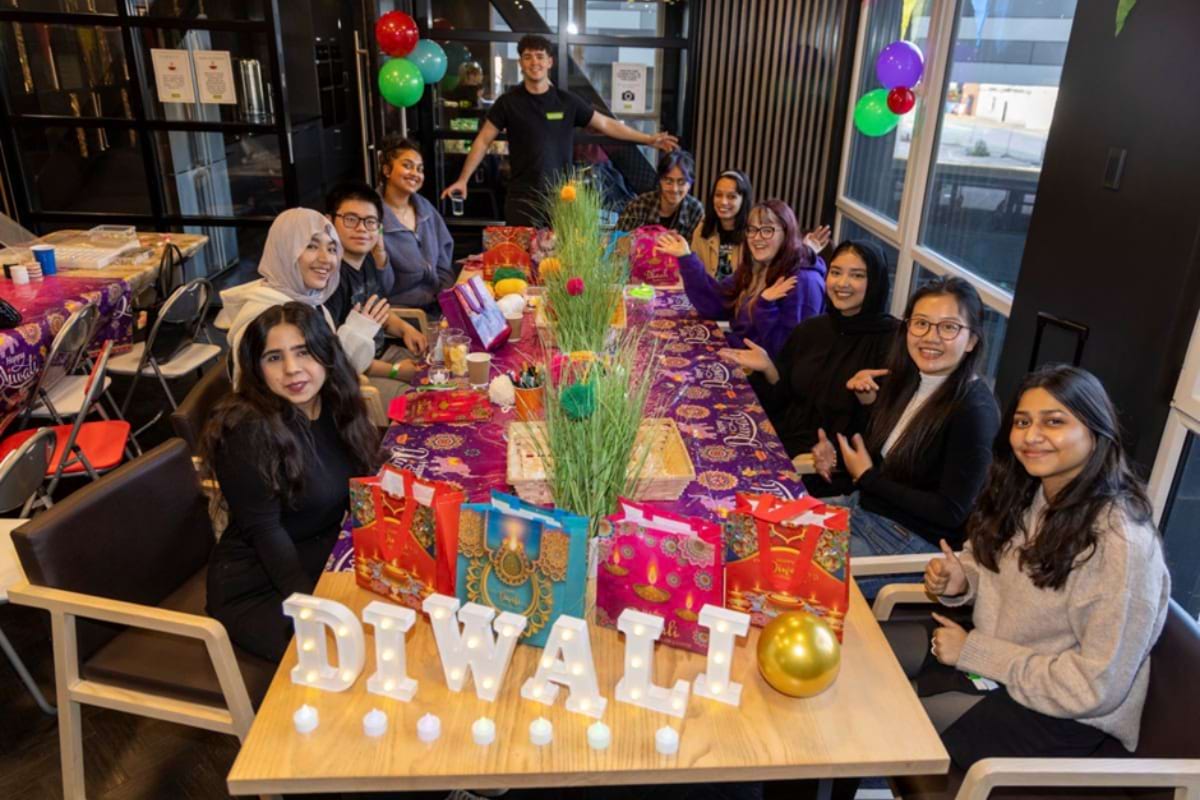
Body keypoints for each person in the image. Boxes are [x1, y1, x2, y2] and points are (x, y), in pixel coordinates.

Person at [887, 365, 1170, 770]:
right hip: (998, 662)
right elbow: (991, 566)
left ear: (1096, 432)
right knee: (866, 659)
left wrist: (976, 652)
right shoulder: (1031, 490)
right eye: (1023, 422)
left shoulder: (1120, 544)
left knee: (885, 721)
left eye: (1054, 422)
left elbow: (1094, 688)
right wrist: (963, 578)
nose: (1032, 437)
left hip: (1061, 712)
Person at [202, 303, 380, 662]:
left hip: (324, 559)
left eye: (304, 352)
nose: (292, 369)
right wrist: (312, 611)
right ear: (256, 369)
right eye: (273, 358)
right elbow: (267, 533)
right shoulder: (248, 430)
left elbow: (361, 482)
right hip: (262, 586)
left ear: (326, 354)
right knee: (350, 660)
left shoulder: (333, 404)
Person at [826, 277, 1000, 597]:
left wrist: (867, 477)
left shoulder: (975, 411)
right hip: (862, 510)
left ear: (972, 340)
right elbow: (887, 458)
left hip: (908, 543)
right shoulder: (910, 379)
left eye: (948, 327)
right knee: (758, 536)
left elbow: (951, 511)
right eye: (920, 323)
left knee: (790, 571)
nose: (930, 337)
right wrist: (867, 408)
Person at [441, 34, 679, 227]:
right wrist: (463, 180)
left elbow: (606, 125)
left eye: (539, 56)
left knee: (558, 264)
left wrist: (648, 139)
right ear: (521, 63)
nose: (534, 62)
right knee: (521, 262)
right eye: (527, 57)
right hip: (521, 196)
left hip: (561, 198)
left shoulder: (567, 102)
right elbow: (483, 141)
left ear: (549, 62)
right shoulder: (508, 102)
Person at [719, 240, 898, 496]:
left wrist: (867, 400)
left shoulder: (892, 343)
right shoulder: (812, 330)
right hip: (781, 445)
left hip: (828, 473)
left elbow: (885, 435)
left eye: (857, 275)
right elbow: (781, 402)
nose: (842, 283)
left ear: (876, 282)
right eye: (836, 272)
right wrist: (769, 368)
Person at [218, 208, 387, 381]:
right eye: (311, 246)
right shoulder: (269, 319)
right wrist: (354, 338)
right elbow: (297, 391)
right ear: (284, 250)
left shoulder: (312, 303)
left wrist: (357, 334)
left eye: (331, 249)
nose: (326, 259)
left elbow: (322, 372)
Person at [655, 200, 829, 359]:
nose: (756, 237)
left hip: (761, 380)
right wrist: (686, 257)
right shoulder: (756, 267)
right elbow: (716, 303)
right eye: (752, 229)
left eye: (767, 230)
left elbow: (786, 354)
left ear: (787, 233)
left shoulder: (805, 282)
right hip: (737, 353)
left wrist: (765, 306)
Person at [324, 182, 428, 402]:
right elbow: (338, 358)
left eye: (370, 222)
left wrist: (405, 329)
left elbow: (378, 311)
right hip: (357, 376)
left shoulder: (366, 262)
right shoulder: (329, 279)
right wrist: (395, 371)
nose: (362, 229)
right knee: (421, 402)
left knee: (443, 372)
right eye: (351, 220)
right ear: (329, 221)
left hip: (384, 354)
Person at [377, 136, 456, 315]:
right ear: (387, 170)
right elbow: (379, 285)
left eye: (420, 169)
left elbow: (444, 258)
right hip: (400, 314)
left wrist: (445, 298)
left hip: (437, 306)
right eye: (407, 165)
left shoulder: (426, 208)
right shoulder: (372, 217)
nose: (415, 173)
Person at [616, 149, 705, 239]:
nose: (674, 189)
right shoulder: (640, 205)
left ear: (690, 184)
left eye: (681, 182)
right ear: (660, 181)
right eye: (668, 181)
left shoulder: (695, 210)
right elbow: (617, 244)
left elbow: (698, 250)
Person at [691, 170, 753, 279]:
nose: (723, 202)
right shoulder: (702, 229)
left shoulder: (753, 234)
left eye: (731, 196)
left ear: (743, 200)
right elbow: (694, 273)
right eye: (718, 195)